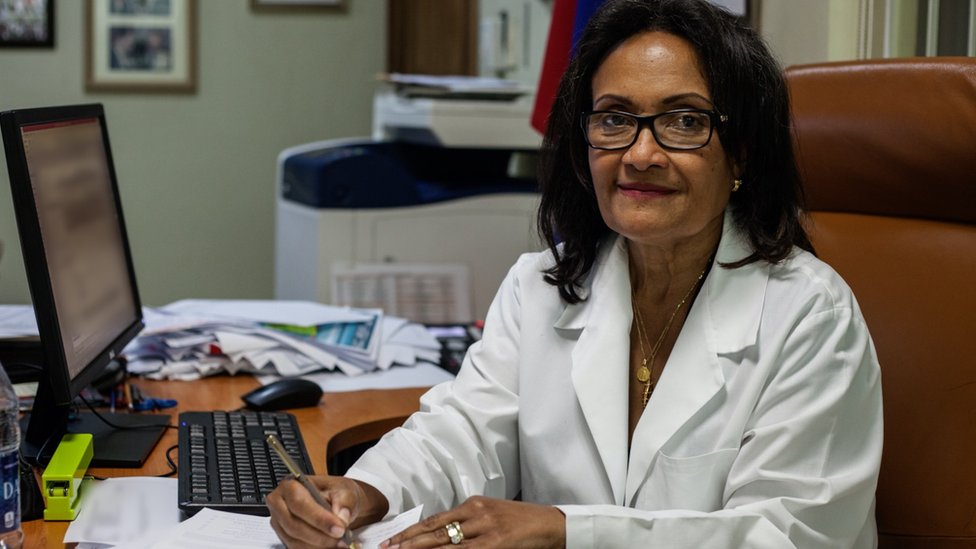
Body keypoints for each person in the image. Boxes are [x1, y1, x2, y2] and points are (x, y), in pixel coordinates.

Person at [267, 0, 884, 547]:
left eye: (684, 121)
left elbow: (788, 535)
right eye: (614, 118)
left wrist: (567, 532)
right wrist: (365, 491)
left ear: (741, 152)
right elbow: (461, 432)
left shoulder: (809, 315)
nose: (641, 153)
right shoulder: (543, 286)